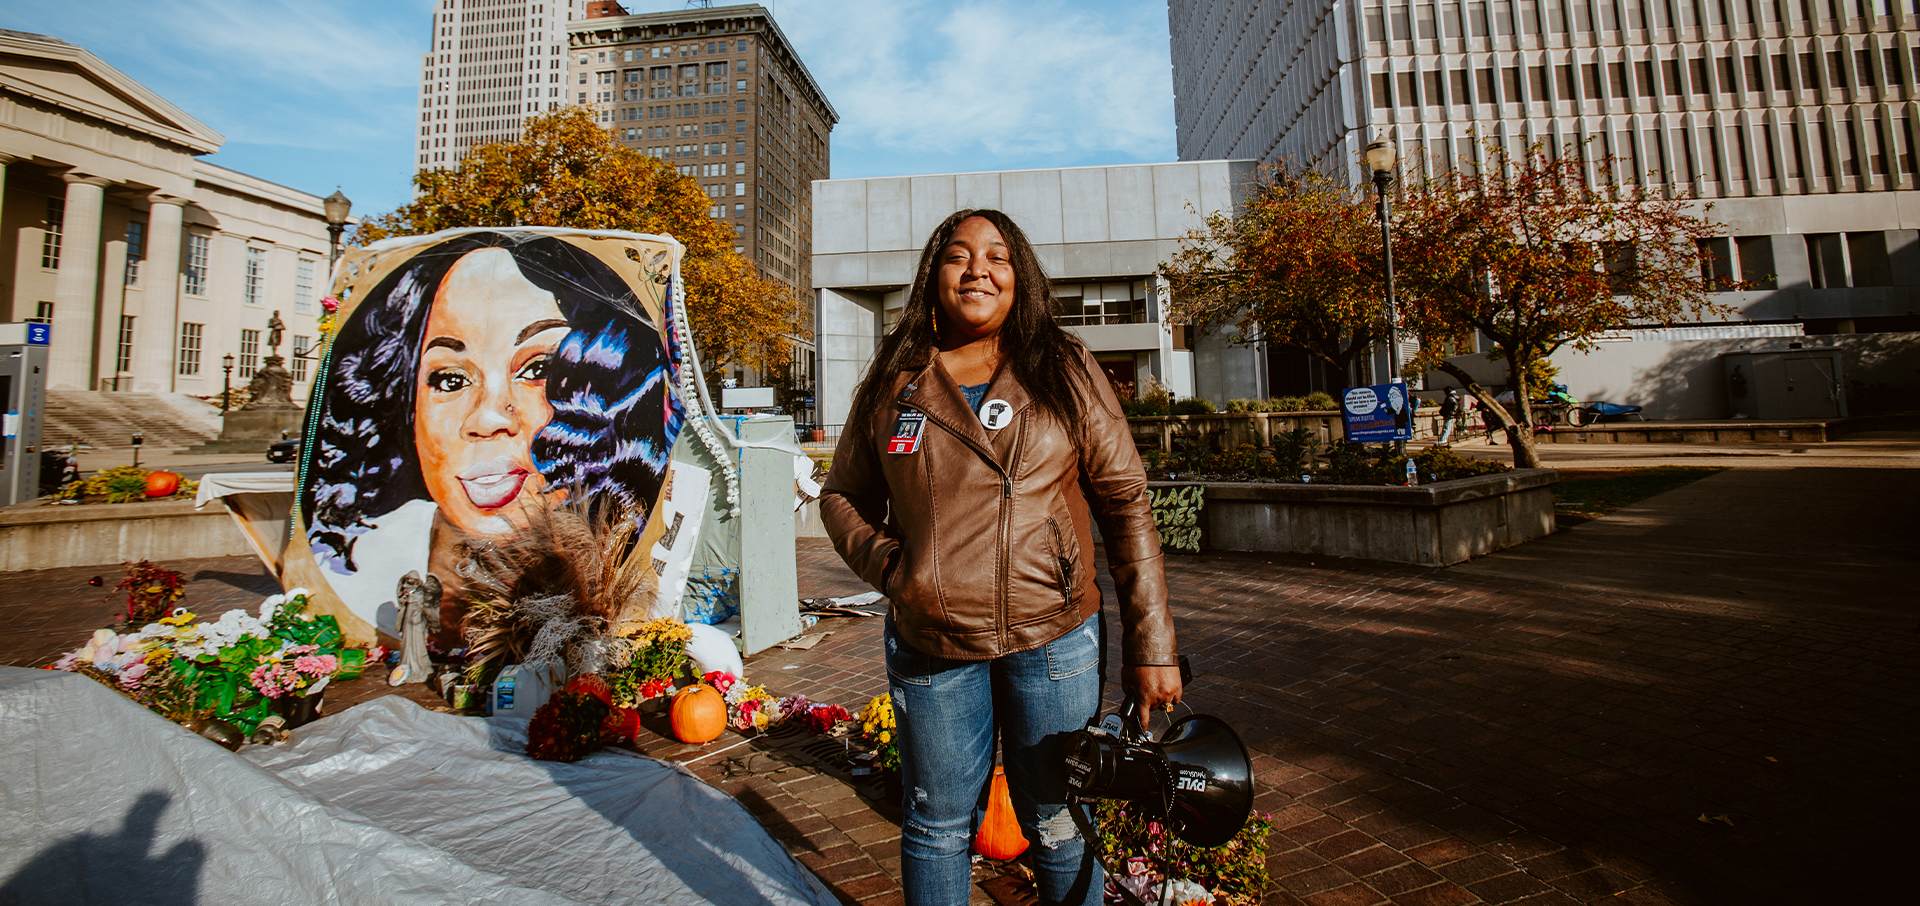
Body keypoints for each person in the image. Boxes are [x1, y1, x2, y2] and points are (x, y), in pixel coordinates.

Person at [819, 210, 1182, 906]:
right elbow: (842, 496)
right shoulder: (896, 383)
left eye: (998, 256)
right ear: (934, 276)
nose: (977, 268)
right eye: (958, 255)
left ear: (1021, 280)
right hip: (933, 639)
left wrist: (1154, 642)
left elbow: (1126, 500)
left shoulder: (1063, 365)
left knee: (1056, 819)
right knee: (937, 824)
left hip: (1053, 636)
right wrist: (895, 571)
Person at [304, 231, 681, 644]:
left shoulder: (627, 565)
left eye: (540, 370)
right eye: (450, 379)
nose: (487, 418)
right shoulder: (352, 565)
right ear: (405, 398)